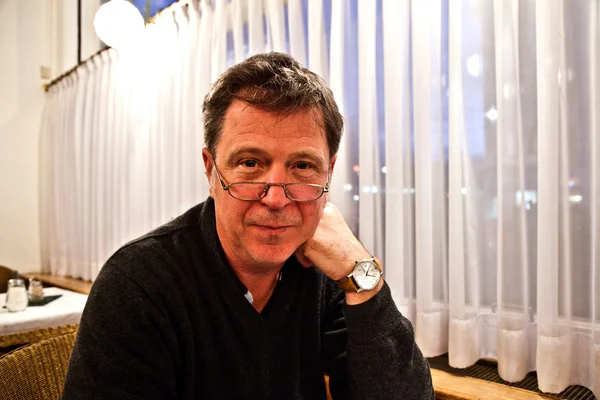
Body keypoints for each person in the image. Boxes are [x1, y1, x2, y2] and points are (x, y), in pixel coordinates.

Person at [62, 52, 433, 399]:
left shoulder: (325, 272)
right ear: (211, 169)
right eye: (250, 163)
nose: (275, 198)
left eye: (302, 166)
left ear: (329, 173)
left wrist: (360, 271)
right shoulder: (138, 284)